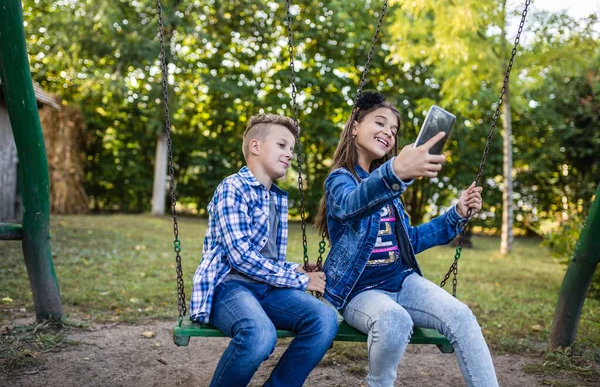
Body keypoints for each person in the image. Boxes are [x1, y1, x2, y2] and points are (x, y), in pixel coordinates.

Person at [314, 91, 498, 387]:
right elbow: (351, 206)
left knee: (461, 316)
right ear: (354, 126)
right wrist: (395, 172)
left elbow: (409, 241)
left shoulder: (389, 189)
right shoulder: (341, 179)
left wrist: (456, 214)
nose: (388, 132)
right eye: (380, 123)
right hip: (361, 292)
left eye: (394, 130)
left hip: (402, 281)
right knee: (393, 320)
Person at [190, 114, 338, 387]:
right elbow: (241, 257)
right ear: (255, 146)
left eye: (292, 149)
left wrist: (293, 268)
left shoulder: (275, 198)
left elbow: (266, 259)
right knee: (259, 334)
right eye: (282, 145)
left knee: (325, 318)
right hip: (228, 287)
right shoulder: (232, 188)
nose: (290, 154)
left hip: (266, 288)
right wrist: (301, 280)